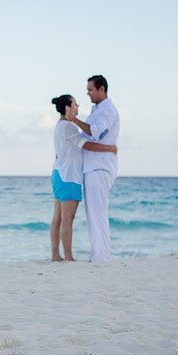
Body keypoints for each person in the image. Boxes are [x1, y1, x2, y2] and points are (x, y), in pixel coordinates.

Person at [50, 94, 117, 262]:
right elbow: (86, 145)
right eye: (75, 104)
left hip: (58, 173)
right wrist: (109, 149)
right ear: (68, 108)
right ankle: (68, 257)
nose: (78, 106)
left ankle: (56, 255)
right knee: (67, 219)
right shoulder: (68, 127)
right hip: (69, 176)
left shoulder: (59, 125)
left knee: (58, 217)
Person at [66, 75, 120, 262]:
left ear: (101, 89)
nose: (87, 93)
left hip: (99, 167)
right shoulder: (99, 110)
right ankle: (100, 254)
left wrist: (74, 120)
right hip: (94, 167)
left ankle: (100, 256)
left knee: (97, 213)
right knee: (96, 213)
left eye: (90, 89)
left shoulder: (107, 111)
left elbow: (95, 132)